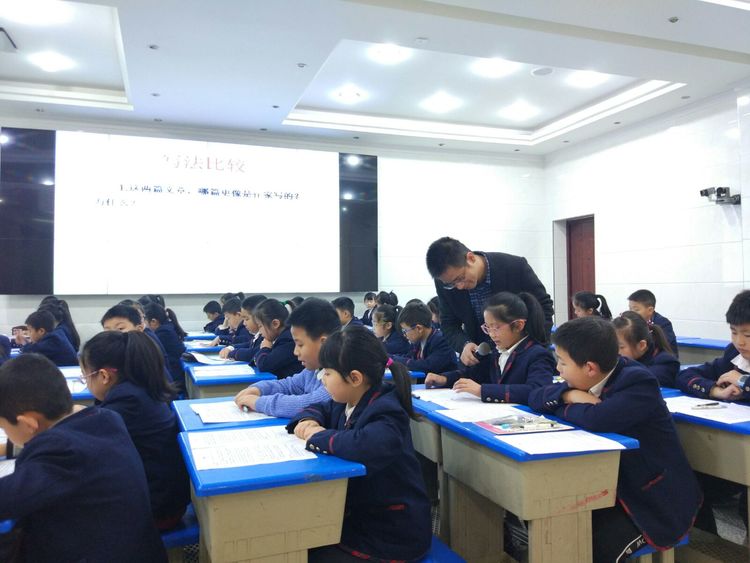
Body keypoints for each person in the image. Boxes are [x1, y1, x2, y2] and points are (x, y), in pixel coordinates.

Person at [528, 317, 701, 561]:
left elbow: (597, 418)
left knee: (593, 545)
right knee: (556, 529)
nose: (558, 369)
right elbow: (536, 397)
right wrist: (569, 395)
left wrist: (563, 403)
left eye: (563, 363)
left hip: (652, 497)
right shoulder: (586, 378)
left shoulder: (637, 381)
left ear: (590, 368)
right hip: (606, 485)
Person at [0, 354, 167, 562]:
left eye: (3, 427)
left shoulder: (63, 454)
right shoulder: (104, 419)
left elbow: (7, 498)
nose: (6, 433)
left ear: (28, 423)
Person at [287, 326, 431, 562]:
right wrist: (308, 420)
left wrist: (317, 436)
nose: (322, 379)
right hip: (361, 516)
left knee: (305, 552)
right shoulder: (346, 399)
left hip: (392, 532)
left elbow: (363, 444)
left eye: (328, 373)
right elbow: (318, 408)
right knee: (298, 539)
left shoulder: (387, 409)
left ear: (355, 378)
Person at [80, 331, 190, 529]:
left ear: (104, 376)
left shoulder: (127, 403)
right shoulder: (138, 389)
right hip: (164, 498)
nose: (85, 383)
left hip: (157, 509)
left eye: (85, 376)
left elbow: (83, 451)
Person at [425, 236, 554, 381]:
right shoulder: (445, 283)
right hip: (482, 362)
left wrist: (531, 348)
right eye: (451, 284)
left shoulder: (514, 267)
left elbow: (544, 306)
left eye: (460, 278)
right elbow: (449, 324)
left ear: (471, 258)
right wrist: (464, 345)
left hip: (522, 360)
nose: (459, 287)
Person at [426, 292, 554, 404]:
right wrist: (445, 379)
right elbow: (474, 375)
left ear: (518, 325)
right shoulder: (496, 351)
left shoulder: (537, 355)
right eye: (488, 327)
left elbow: (536, 391)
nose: (491, 334)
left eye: (496, 327)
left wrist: (483, 391)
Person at [234, 298, 340, 417]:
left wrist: (258, 402)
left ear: (324, 343)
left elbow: (308, 403)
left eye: (300, 345)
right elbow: (290, 385)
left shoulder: (340, 375)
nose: (295, 352)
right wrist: (258, 389)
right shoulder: (314, 370)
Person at [613, 312, 679, 387]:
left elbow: (639, 381)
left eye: (621, 347)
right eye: (612, 345)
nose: (614, 351)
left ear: (641, 345)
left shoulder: (665, 363)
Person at [391, 302, 456, 374]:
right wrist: (390, 358)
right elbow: (408, 357)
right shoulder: (418, 341)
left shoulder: (442, 341)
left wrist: (393, 360)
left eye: (405, 330)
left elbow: (427, 366)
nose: (404, 335)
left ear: (419, 329)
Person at [253, 298, 303, 378]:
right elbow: (256, 358)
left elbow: (264, 365)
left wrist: (265, 348)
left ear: (275, 324)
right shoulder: (279, 338)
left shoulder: (287, 340)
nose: (260, 332)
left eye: (260, 326)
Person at [143, 303, 186, 389]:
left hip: (173, 377)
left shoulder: (163, 333)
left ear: (153, 321)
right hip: (175, 373)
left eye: (144, 321)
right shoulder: (167, 327)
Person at [628, 289, 678, 358]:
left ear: (650, 310)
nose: (631, 313)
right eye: (630, 309)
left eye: (636, 310)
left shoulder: (663, 323)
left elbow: (659, 348)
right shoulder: (631, 322)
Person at [221, 295, 267, 362]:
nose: (244, 323)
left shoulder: (268, 336)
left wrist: (232, 353)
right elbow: (249, 344)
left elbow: (253, 353)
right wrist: (231, 347)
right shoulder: (259, 334)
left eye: (247, 319)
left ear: (259, 318)